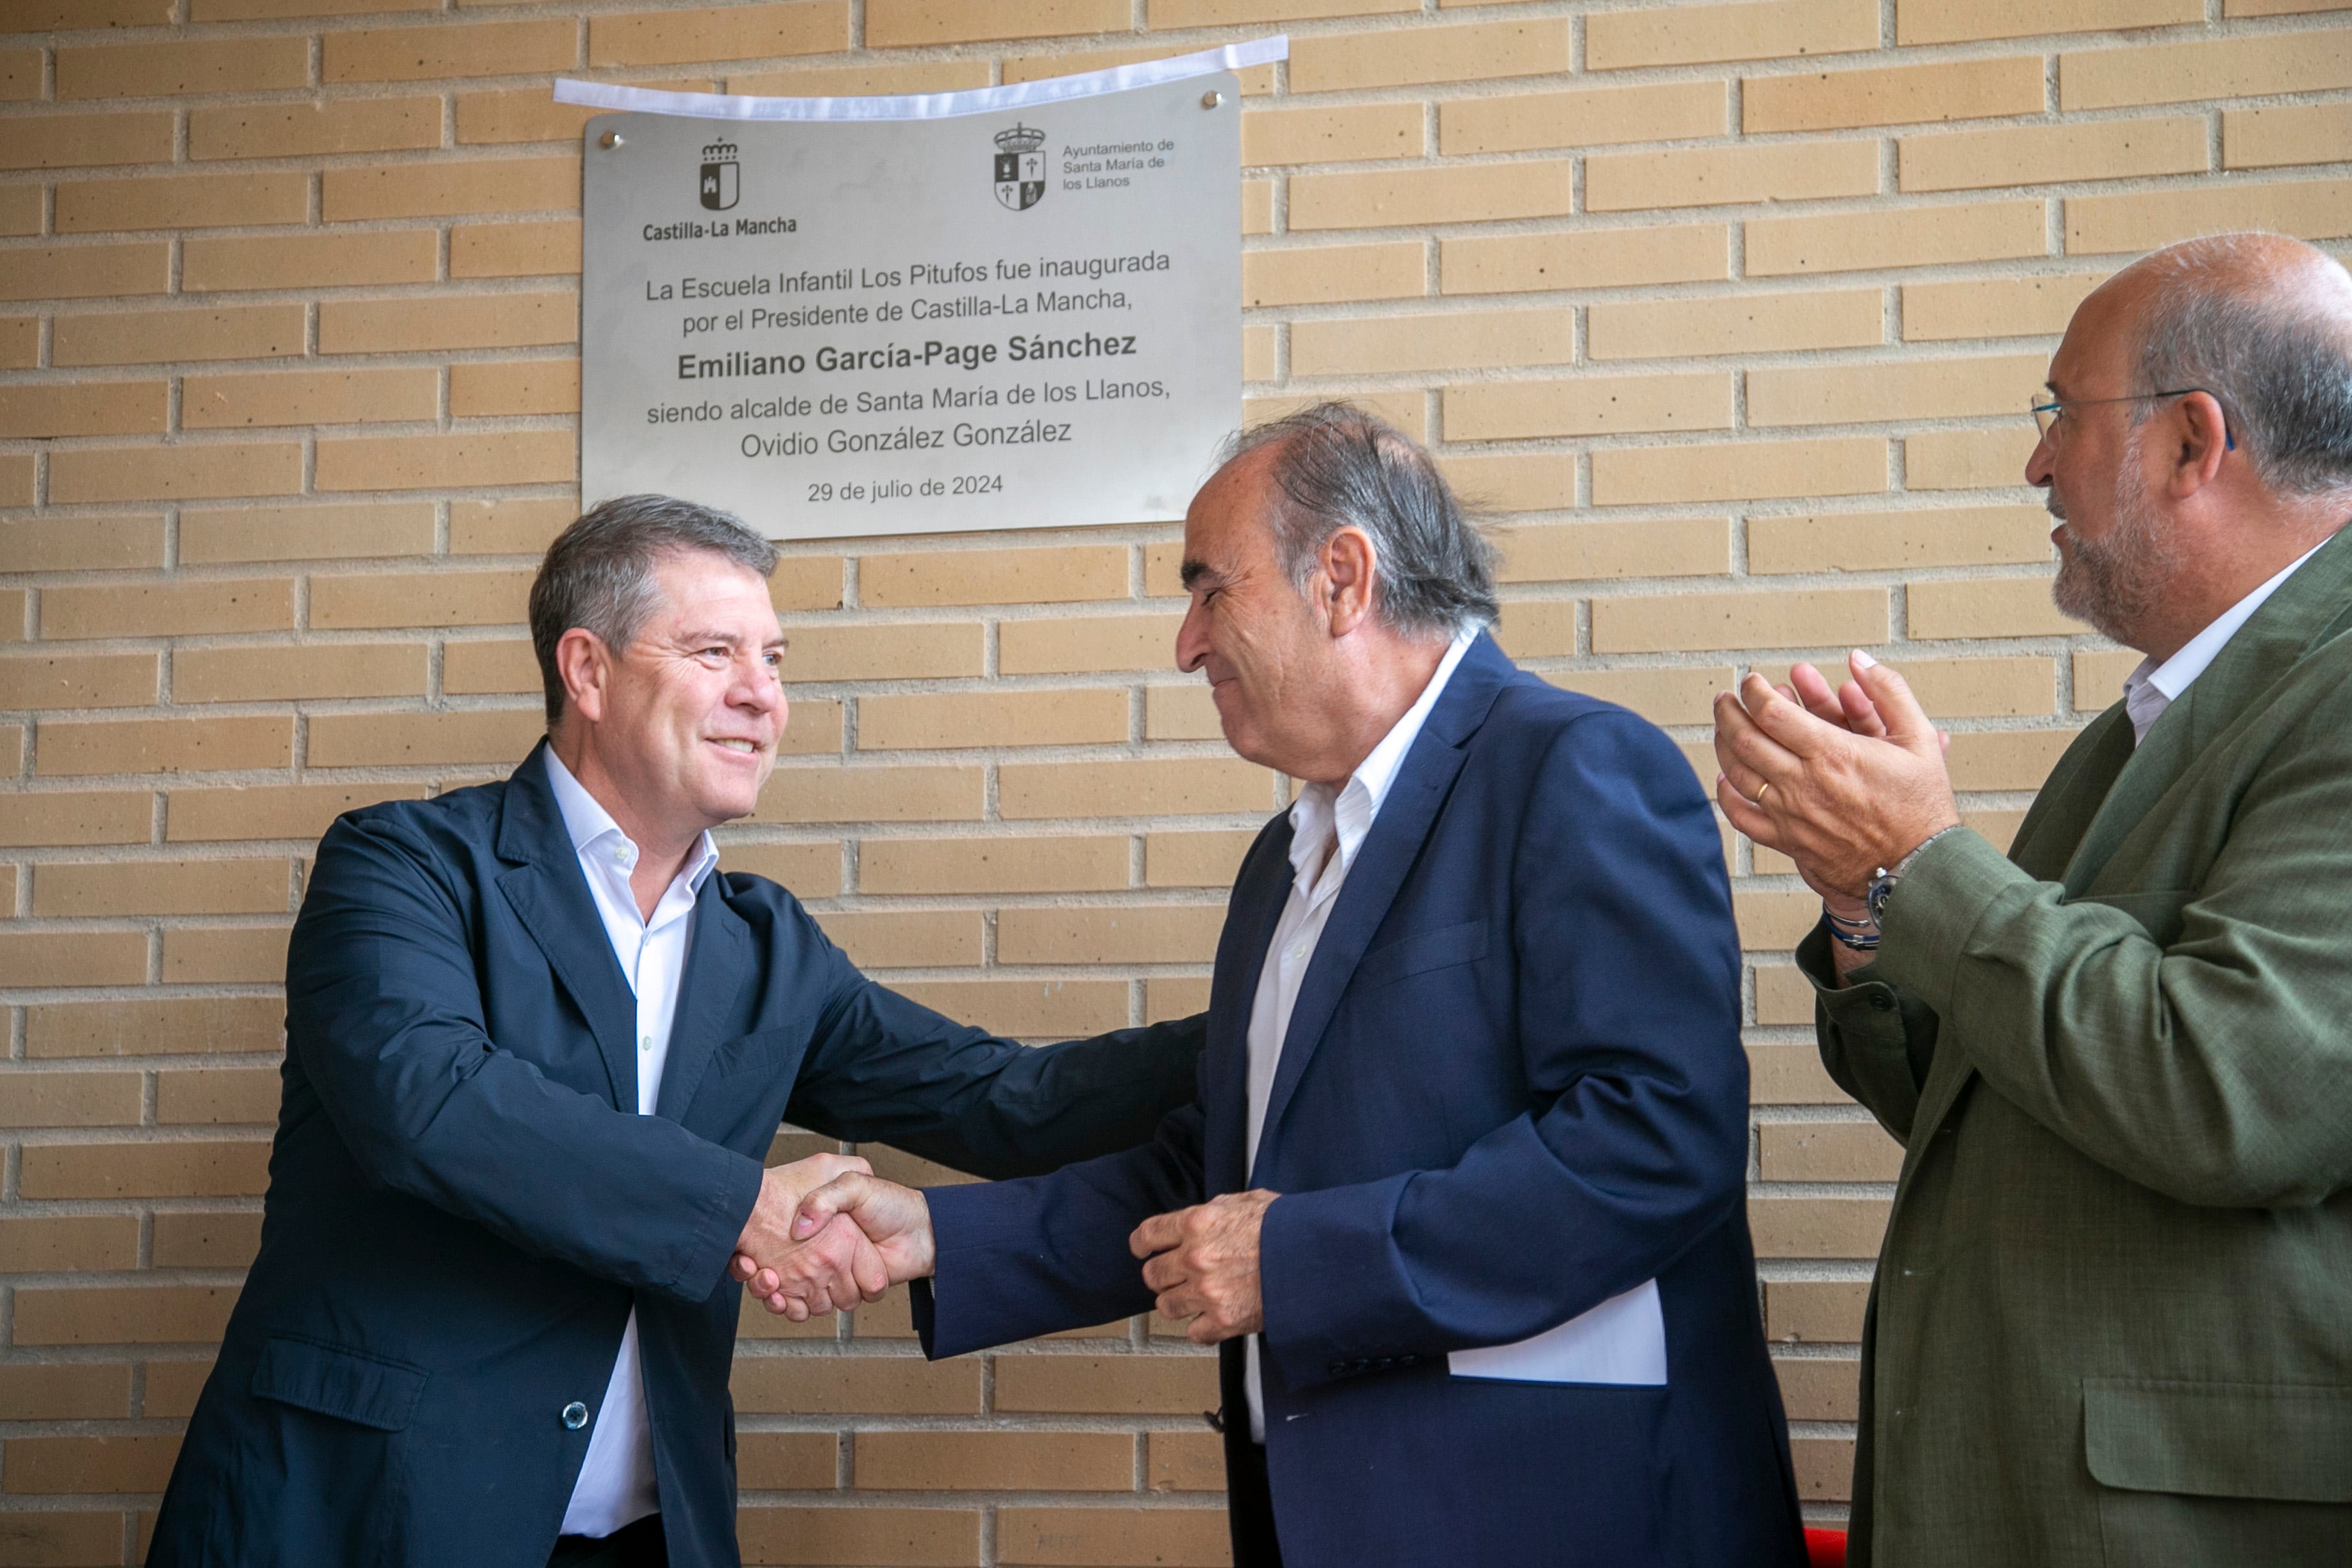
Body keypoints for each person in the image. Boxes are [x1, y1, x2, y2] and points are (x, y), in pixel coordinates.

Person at [757, 405, 1809, 1567]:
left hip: (1565, 1511)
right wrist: (938, 1238)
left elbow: (1657, 1143)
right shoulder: (1284, 858)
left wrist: (1301, 1262)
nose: (1186, 643)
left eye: (1211, 589)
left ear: (1343, 578)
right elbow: (1224, 1170)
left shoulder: (1572, 768)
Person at [146, 495, 1203, 1568]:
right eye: (714, 651)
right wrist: (745, 1203)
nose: (763, 695)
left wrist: (1275, 1027)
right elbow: (430, 1101)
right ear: (588, 672)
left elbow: (1007, 1103)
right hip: (362, 1518)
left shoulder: (764, 947)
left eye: (776, 660)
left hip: (655, 1537)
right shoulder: (405, 866)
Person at [1711, 231, 2352, 1565]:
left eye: (2063, 410)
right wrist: (1866, 893)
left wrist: (1932, 856)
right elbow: (1985, 1095)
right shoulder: (2144, 729)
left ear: (2193, 441)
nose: (2038, 461)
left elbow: (2233, 1090)